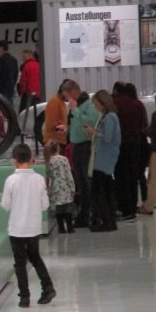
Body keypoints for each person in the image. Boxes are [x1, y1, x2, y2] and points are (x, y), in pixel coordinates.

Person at [1, 143, 56, 308]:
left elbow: (5, 205)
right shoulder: (39, 179)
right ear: (31, 159)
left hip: (16, 228)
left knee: (20, 263)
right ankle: (47, 287)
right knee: (35, 257)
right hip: (33, 227)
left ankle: (24, 297)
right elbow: (45, 205)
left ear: (15, 160)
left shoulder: (10, 180)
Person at [85, 90, 121, 232]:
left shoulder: (110, 117)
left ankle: (107, 221)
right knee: (106, 190)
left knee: (99, 190)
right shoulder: (107, 116)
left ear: (103, 103)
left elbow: (108, 137)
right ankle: (110, 221)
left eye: (96, 104)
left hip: (105, 158)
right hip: (104, 157)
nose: (95, 107)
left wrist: (94, 133)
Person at [65, 79, 99, 228]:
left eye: (68, 95)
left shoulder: (89, 106)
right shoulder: (78, 105)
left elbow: (90, 122)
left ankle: (88, 214)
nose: (68, 99)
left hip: (85, 146)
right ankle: (84, 213)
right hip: (77, 146)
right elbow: (78, 124)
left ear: (74, 92)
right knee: (80, 182)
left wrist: (75, 111)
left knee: (86, 181)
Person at [112, 82, 148, 221]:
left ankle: (122, 208)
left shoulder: (115, 103)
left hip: (119, 144)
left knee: (121, 177)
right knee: (133, 177)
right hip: (136, 144)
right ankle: (132, 208)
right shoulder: (137, 104)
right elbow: (144, 124)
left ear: (116, 90)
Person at [44, 140, 76, 233]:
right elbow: (68, 174)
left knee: (58, 208)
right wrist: (72, 187)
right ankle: (70, 227)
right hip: (65, 187)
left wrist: (47, 189)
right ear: (58, 148)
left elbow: (48, 177)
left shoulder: (48, 161)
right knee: (67, 207)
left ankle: (61, 228)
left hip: (55, 188)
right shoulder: (64, 159)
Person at [43, 80, 70, 152]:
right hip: (54, 143)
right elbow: (51, 125)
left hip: (59, 141)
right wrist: (67, 130)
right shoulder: (54, 102)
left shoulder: (61, 102)